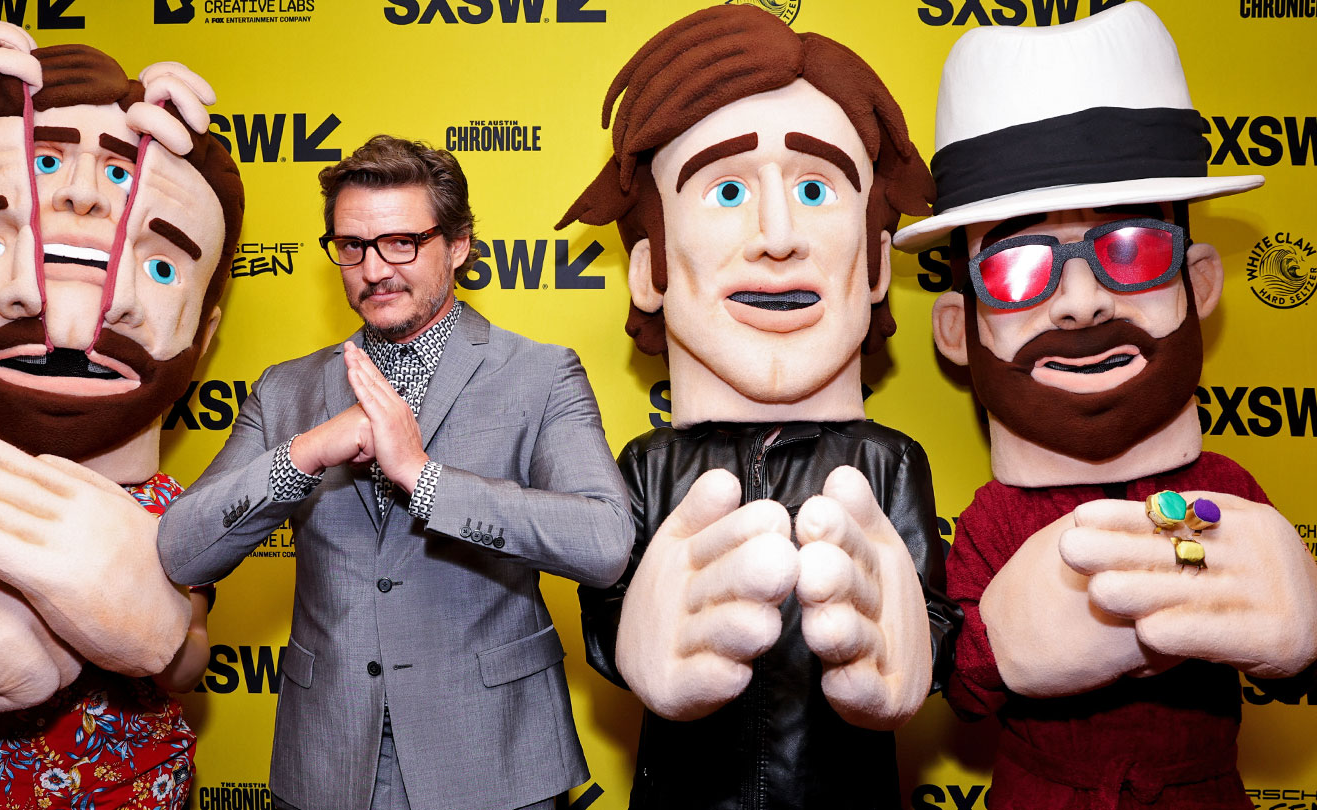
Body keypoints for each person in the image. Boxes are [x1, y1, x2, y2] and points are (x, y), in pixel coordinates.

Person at [892, 4, 1317, 807]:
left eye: (1130, 249)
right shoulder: (990, 521)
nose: (1081, 305)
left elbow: (1290, 651)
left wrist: (1303, 620)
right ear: (957, 328)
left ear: (1198, 286)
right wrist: (1002, 644)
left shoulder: (1228, 489)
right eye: (1020, 267)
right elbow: (960, 692)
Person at [156, 134, 634, 810]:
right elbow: (181, 546)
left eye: (401, 242)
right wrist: (303, 456)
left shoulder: (539, 374)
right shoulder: (286, 390)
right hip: (329, 760)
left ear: (459, 243)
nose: (374, 268)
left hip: (492, 757)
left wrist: (424, 477)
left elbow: (605, 542)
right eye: (351, 245)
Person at [559, 6, 960, 807]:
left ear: (878, 265)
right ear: (651, 271)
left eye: (815, 189)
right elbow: (607, 601)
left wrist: (910, 650)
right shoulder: (648, 464)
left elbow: (932, 612)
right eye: (729, 189)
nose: (778, 236)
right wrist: (632, 638)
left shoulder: (887, 460)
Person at [0, 21, 243, 809]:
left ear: (202, 336)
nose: (66, 313)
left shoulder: (164, 508)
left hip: (142, 795)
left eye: (152, 265)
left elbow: (194, 663)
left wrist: (162, 629)